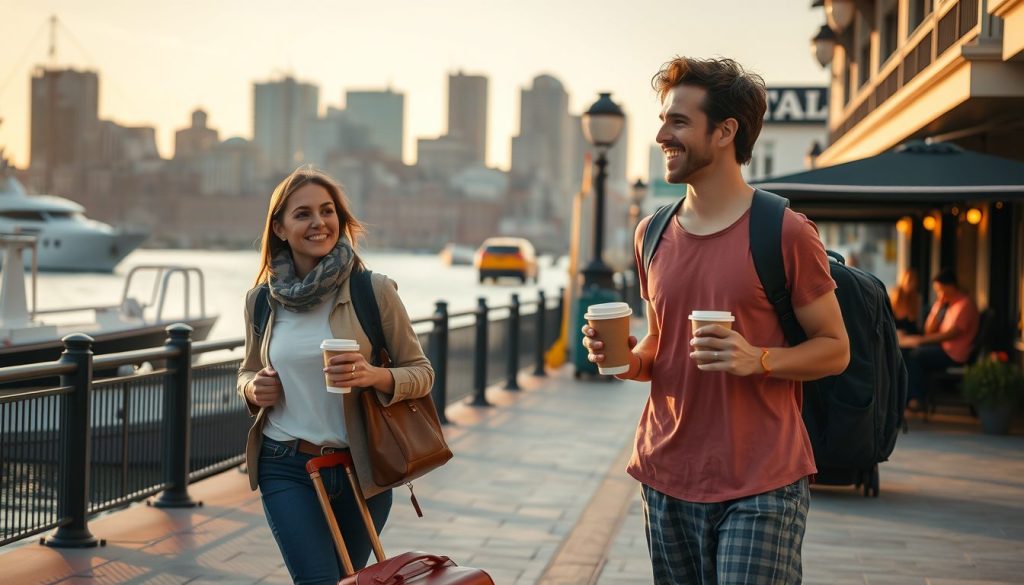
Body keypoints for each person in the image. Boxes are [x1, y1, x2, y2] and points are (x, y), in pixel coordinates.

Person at [582, 56, 850, 585]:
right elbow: (662, 346)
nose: (662, 134)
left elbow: (835, 348)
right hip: (665, 475)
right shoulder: (651, 233)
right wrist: (625, 360)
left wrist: (760, 359)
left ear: (726, 131)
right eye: (663, 120)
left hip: (761, 483)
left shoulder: (786, 232)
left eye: (679, 122)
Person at [236, 166, 434, 584]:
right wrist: (254, 387)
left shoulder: (373, 290)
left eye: (327, 211)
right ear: (280, 227)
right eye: (303, 213)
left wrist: (372, 375)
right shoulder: (261, 301)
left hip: (361, 468)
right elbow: (248, 372)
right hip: (285, 464)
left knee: (351, 580)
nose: (318, 222)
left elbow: (421, 373)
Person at [899, 267, 979, 411]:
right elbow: (928, 330)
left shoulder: (965, 304)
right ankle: (907, 398)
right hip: (943, 349)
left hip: (954, 355)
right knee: (904, 353)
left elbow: (951, 334)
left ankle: (918, 398)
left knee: (915, 355)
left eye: (940, 289)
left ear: (950, 286)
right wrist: (938, 307)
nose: (938, 293)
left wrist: (921, 341)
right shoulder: (947, 304)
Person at [891, 268, 922, 334]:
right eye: (909, 280)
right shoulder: (893, 297)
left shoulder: (916, 299)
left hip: (910, 338)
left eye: (914, 281)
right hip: (895, 337)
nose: (911, 284)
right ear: (902, 280)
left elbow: (918, 325)